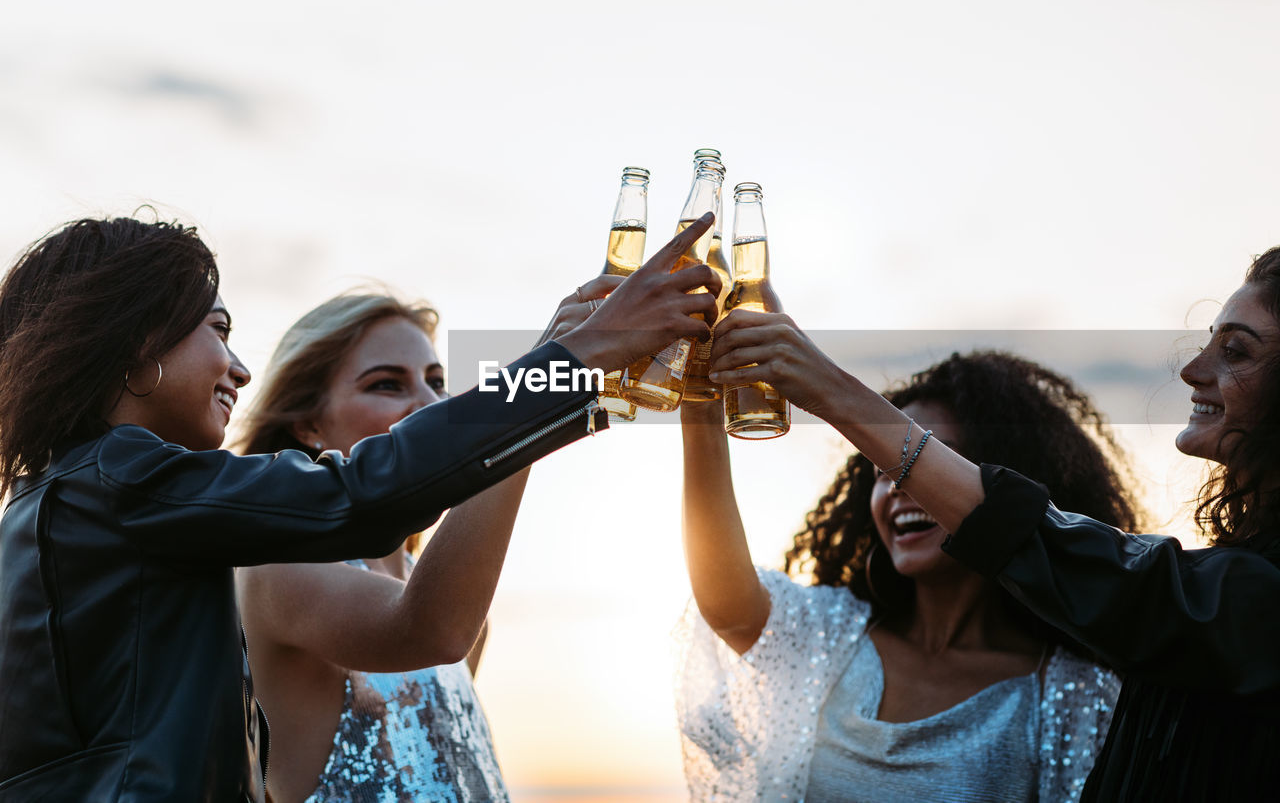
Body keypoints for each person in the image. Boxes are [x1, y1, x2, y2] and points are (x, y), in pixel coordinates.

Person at [0, 212, 720, 802]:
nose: (240, 367)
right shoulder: (120, 481)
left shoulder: (64, 504)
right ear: (138, 342)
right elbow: (359, 499)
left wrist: (555, 374)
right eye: (216, 329)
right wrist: (572, 360)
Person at [707, 248, 1280, 800]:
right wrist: (698, 393)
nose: (1191, 369)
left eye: (1236, 350)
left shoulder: (1086, 676)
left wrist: (827, 388)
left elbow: (1080, 561)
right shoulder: (836, 635)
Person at [677, 351, 1139, 802]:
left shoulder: (1072, 692)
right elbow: (728, 606)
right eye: (881, 471)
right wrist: (699, 400)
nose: (898, 484)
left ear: (1009, 488)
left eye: (924, 465)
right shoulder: (831, 634)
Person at [235, 292, 522, 802]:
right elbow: (432, 630)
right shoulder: (275, 567)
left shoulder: (446, 595)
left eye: (436, 382)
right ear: (308, 424)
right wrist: (531, 399)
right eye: (387, 384)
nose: (433, 405)